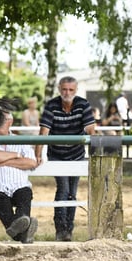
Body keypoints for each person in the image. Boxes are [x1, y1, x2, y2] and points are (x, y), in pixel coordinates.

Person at [35, 76, 97, 241]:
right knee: (64, 189)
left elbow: (91, 129)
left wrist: (95, 151)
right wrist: (38, 154)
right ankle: (60, 229)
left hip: (76, 155)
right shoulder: (52, 105)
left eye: (70, 89)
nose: (67, 92)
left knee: (73, 192)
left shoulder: (83, 104)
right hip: (57, 155)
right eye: (64, 89)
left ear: (75, 90)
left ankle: (69, 229)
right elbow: (44, 132)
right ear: (59, 89)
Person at [0, 112, 39, 243]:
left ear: (10, 122)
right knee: (0, 200)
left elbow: (31, 162)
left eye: (0, 120)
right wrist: (16, 155)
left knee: (25, 194)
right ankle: (24, 232)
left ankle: (22, 223)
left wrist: (3, 161)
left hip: (18, 184)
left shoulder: (20, 140)